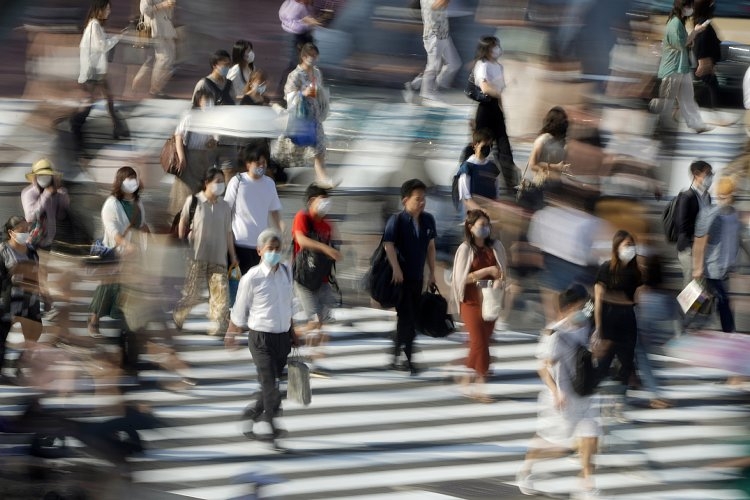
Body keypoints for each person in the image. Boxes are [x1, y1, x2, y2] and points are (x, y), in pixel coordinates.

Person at [517, 284, 601, 498]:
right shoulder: (555, 333)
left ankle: (587, 483)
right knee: (553, 443)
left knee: (590, 437)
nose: (585, 311)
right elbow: (543, 368)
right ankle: (526, 469)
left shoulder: (588, 325)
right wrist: (556, 392)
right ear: (569, 308)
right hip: (562, 398)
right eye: (581, 307)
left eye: (586, 306)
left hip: (585, 393)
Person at [225, 229, 298, 444]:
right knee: (269, 383)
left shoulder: (286, 272)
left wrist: (293, 332)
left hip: (282, 338)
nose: (274, 252)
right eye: (270, 249)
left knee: (272, 385)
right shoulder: (251, 277)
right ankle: (272, 424)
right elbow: (239, 307)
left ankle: (252, 413)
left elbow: (289, 305)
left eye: (277, 249)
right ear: (259, 251)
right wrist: (232, 331)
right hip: (260, 339)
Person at [172, 168, 238, 336]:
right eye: (217, 181)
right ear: (207, 183)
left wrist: (233, 256)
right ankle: (179, 313)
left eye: (222, 181)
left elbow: (228, 233)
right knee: (192, 294)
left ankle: (218, 325)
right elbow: (183, 221)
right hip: (196, 256)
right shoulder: (194, 201)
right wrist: (182, 243)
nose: (220, 185)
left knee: (220, 293)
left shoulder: (225, 206)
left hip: (219, 257)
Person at [450, 209, 507, 402]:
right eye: (481, 225)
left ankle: (466, 378)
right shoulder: (465, 249)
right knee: (479, 342)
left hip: (491, 300)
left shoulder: (496, 246)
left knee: (481, 341)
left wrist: (500, 280)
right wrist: (485, 271)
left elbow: (503, 272)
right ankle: (480, 386)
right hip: (471, 301)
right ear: (470, 227)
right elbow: (459, 280)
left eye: (487, 225)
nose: (485, 229)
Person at [383, 179, 437, 375]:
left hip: (417, 277)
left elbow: (430, 247)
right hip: (400, 279)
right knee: (408, 317)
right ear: (405, 200)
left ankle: (396, 353)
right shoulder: (397, 220)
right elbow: (388, 245)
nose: (422, 202)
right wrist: (396, 269)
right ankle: (409, 359)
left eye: (424, 199)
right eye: (417, 199)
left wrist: (432, 273)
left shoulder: (428, 220)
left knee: (406, 317)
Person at [88, 167, 148, 336]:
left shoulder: (138, 202)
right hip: (116, 252)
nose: (133, 183)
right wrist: (125, 246)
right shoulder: (111, 204)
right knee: (108, 286)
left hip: (135, 253)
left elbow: (142, 224)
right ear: (120, 182)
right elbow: (113, 232)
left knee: (130, 288)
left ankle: (130, 325)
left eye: (134, 179)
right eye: (129, 179)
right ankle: (94, 319)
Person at [292, 184, 341, 372]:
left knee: (325, 321)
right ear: (311, 201)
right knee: (313, 322)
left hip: (322, 280)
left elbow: (333, 246)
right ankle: (289, 336)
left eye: (327, 199)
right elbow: (301, 240)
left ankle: (313, 360)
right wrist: (326, 249)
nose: (326, 204)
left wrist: (334, 251)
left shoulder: (328, 224)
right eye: (322, 199)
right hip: (304, 280)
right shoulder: (302, 217)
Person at [692, 176, 750, 333]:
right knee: (722, 301)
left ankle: (690, 323)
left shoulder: (735, 216)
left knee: (705, 300)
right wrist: (697, 268)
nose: (725, 199)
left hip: (725, 267)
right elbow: (700, 242)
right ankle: (729, 332)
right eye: (723, 195)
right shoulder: (711, 214)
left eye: (729, 195)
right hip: (711, 266)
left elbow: (740, 239)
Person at [651, 0, 711, 133]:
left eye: (691, 6)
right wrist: (695, 32)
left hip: (681, 67)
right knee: (667, 100)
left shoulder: (680, 22)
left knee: (688, 98)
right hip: (672, 68)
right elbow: (681, 44)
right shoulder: (675, 23)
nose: (691, 9)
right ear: (681, 7)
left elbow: (684, 43)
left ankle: (697, 125)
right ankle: (661, 124)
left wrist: (692, 37)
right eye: (688, 6)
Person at [73, 0, 126, 150]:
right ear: (99, 9)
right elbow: (102, 46)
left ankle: (117, 128)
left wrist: (115, 37)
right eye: (107, 9)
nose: (109, 12)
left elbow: (100, 44)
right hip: (92, 72)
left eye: (109, 9)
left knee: (109, 99)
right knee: (89, 104)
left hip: (97, 71)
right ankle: (76, 126)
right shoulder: (94, 25)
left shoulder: (95, 25)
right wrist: (118, 38)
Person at [594, 230, 643, 389]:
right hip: (609, 321)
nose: (631, 249)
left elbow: (635, 300)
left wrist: (616, 297)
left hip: (628, 322)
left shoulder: (635, 272)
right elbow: (598, 301)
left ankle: (618, 401)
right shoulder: (606, 268)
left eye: (633, 245)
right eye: (627, 245)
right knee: (603, 364)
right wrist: (598, 329)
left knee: (626, 365)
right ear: (617, 247)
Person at [224, 143, 282, 275]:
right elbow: (226, 212)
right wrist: (232, 252)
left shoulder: (269, 183)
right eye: (258, 162)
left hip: (262, 246)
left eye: (264, 162)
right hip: (239, 244)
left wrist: (280, 234)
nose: (262, 166)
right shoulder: (237, 182)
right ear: (248, 164)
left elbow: (274, 211)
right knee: (238, 288)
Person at [284, 42, 336, 188]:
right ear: (303, 56)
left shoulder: (317, 72)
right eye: (309, 55)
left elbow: (319, 90)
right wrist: (302, 93)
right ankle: (320, 178)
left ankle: (321, 178)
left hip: (316, 115)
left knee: (319, 147)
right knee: (305, 148)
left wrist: (322, 97)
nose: (312, 58)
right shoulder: (295, 75)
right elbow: (288, 96)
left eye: (314, 55)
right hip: (302, 117)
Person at [0, 216, 44, 380]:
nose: (26, 233)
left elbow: (37, 274)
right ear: (11, 232)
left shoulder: (32, 251)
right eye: (22, 230)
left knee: (33, 333)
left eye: (27, 230)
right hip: (9, 300)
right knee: (2, 335)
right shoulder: (3, 251)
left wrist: (42, 295)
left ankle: (20, 364)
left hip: (30, 299)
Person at [471, 35, 516, 194]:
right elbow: (485, 88)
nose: (497, 49)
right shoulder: (482, 65)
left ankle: (511, 185)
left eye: (497, 46)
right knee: (481, 145)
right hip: (485, 107)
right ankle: (470, 177)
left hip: (496, 108)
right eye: (493, 46)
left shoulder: (499, 66)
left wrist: (502, 109)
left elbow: (500, 91)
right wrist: (498, 94)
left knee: (504, 147)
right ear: (487, 49)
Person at [168, 88, 220, 217]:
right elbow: (178, 136)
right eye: (206, 100)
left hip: (204, 158)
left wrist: (212, 143)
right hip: (189, 158)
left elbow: (214, 139)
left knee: (201, 192)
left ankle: (196, 220)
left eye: (211, 101)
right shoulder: (190, 116)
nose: (209, 103)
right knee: (185, 193)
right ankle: (180, 221)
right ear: (198, 101)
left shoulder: (212, 119)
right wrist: (182, 158)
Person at [403, 0, 461, 105]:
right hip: (433, 34)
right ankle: (427, 93)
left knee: (454, 64)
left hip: (443, 33)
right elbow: (435, 6)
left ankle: (416, 85)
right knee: (433, 66)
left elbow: (443, 5)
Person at [675, 160, 713, 286]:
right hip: (688, 248)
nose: (711, 177)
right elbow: (682, 225)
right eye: (708, 173)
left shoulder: (707, 197)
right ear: (696, 174)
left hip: (702, 248)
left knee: (701, 285)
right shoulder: (687, 196)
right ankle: (688, 307)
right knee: (691, 285)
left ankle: (699, 306)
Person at [21, 159, 70, 252]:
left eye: (47, 176)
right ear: (35, 178)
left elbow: (61, 215)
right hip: (31, 242)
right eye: (41, 176)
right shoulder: (28, 193)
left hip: (48, 242)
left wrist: (62, 196)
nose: (44, 179)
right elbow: (30, 217)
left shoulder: (55, 193)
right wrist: (46, 195)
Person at [132, 0, 177, 98]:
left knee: (158, 59)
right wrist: (162, 5)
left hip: (166, 29)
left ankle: (138, 83)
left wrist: (170, 6)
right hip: (156, 29)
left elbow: (169, 15)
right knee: (164, 58)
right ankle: (154, 89)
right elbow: (144, 10)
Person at [523, 106, 570, 193]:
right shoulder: (564, 144)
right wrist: (556, 167)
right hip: (555, 186)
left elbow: (532, 165)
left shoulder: (542, 140)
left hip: (541, 185)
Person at [277, 0, 318, 97]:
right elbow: (293, 25)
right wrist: (306, 23)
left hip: (304, 36)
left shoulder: (305, 5)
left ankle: (308, 92)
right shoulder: (295, 6)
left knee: (307, 66)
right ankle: (284, 94)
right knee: (294, 65)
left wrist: (309, 22)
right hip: (296, 37)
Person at [455, 128, 500, 213]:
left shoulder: (493, 167)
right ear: (475, 145)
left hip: (491, 215)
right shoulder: (467, 168)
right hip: (473, 216)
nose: (488, 148)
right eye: (485, 146)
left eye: (490, 146)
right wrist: (482, 211)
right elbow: (466, 199)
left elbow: (496, 195)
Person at [692, 0, 722, 111]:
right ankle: (715, 113)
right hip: (705, 63)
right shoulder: (704, 23)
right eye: (712, 5)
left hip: (706, 62)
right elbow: (702, 43)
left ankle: (713, 112)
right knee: (710, 87)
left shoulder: (703, 22)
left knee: (708, 87)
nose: (714, 7)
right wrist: (702, 62)